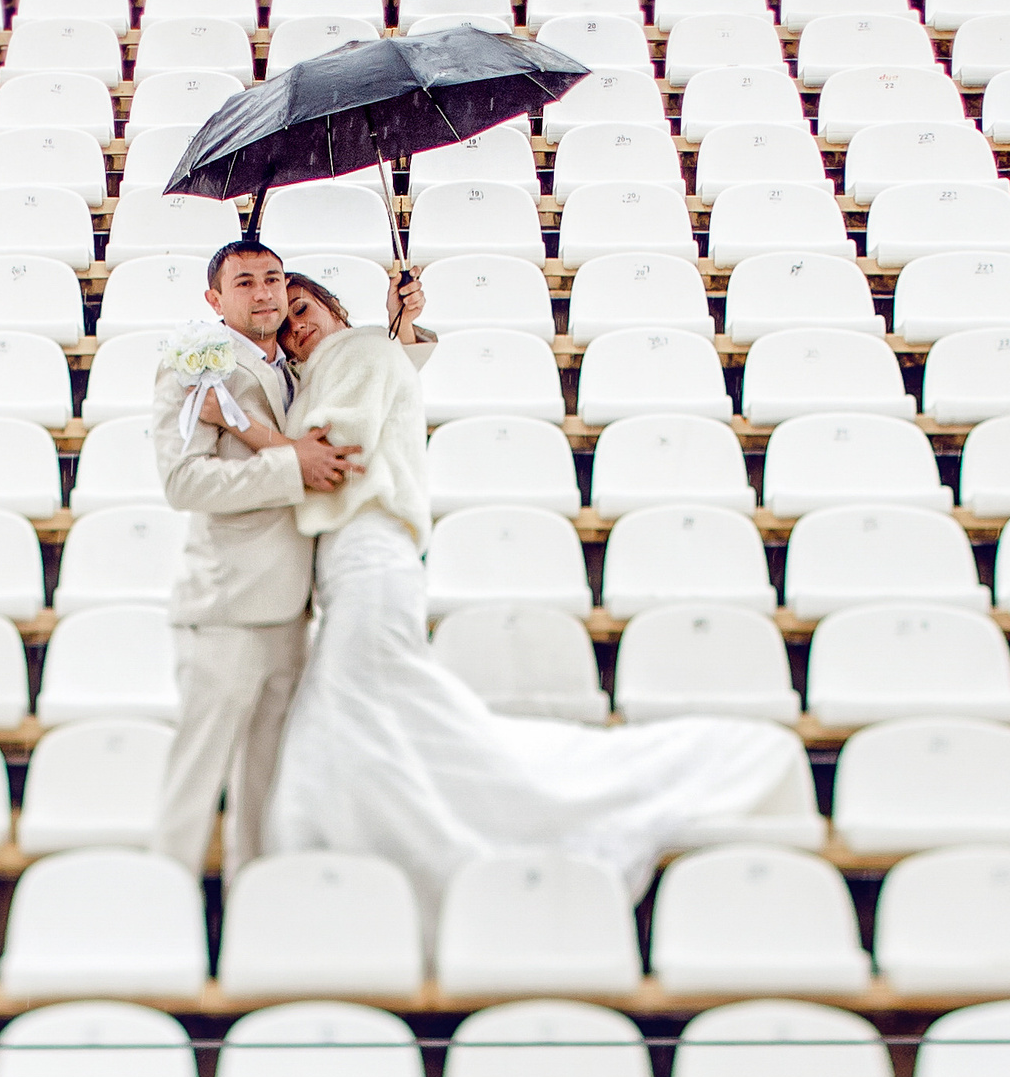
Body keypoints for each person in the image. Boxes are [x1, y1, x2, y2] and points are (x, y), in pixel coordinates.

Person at [259, 271, 808, 926]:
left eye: (304, 307)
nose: (297, 325)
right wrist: (397, 331)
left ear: (332, 305)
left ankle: (396, 872)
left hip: (368, 556)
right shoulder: (343, 361)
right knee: (374, 718)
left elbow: (332, 442)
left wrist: (236, 425)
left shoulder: (355, 353)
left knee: (341, 713)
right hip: (353, 564)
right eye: (285, 324)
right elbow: (377, 378)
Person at [147, 239, 358, 878]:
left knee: (265, 787)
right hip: (227, 604)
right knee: (196, 780)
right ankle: (163, 920)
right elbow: (186, 484)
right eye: (245, 283)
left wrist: (405, 323)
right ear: (215, 299)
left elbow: (371, 383)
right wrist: (291, 467)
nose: (265, 293)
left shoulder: (297, 365)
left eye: (272, 278)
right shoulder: (194, 367)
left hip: (292, 608)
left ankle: (255, 918)